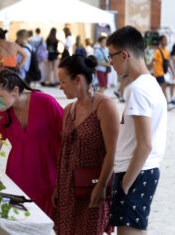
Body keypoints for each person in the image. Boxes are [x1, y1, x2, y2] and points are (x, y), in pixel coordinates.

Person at [107, 26, 167, 235]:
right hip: (142, 171)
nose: (110, 63)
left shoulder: (138, 89)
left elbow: (145, 144)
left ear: (124, 54)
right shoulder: (149, 85)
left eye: (111, 57)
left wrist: (125, 185)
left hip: (135, 172)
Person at [53, 55, 119, 235]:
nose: (60, 87)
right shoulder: (68, 110)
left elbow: (113, 151)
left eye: (63, 82)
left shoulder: (105, 106)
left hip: (92, 186)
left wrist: (101, 186)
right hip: (68, 188)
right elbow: (63, 152)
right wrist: (58, 187)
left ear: (78, 79)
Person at [0, 68, 63, 218]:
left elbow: (67, 138)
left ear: (15, 90)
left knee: (54, 222)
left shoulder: (46, 102)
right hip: (19, 176)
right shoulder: (3, 110)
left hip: (50, 174)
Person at [150, 35, 175, 110]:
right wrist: (148, 70)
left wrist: (172, 71)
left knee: (157, 87)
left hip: (162, 72)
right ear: (160, 42)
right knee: (163, 85)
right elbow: (152, 61)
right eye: (164, 40)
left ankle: (154, 102)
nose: (166, 42)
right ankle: (166, 103)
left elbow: (168, 62)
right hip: (158, 72)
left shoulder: (166, 51)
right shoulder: (157, 51)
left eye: (166, 40)